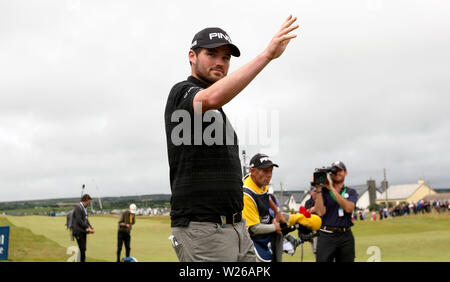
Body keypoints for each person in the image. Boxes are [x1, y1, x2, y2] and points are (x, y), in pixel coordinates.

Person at [164, 16, 299, 262]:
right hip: (204, 229)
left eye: (225, 58)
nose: (220, 62)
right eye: (212, 54)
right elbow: (211, 98)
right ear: (192, 56)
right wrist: (266, 55)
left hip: (237, 228)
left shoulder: (218, 111)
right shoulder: (182, 92)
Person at [242, 153, 285, 262]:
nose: (269, 175)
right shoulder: (246, 194)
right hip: (251, 240)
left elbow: (266, 197)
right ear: (252, 171)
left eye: (271, 171)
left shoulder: (260, 182)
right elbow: (253, 228)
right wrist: (275, 227)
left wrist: (277, 211)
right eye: (266, 171)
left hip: (264, 234)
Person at [313, 161, 358, 262]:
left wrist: (332, 189)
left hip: (345, 235)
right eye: (334, 171)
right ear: (330, 174)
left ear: (345, 172)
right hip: (326, 235)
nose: (337, 173)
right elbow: (320, 212)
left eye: (340, 170)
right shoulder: (323, 192)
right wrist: (319, 189)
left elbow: (349, 208)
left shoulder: (351, 192)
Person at [72, 194, 95, 262]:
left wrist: (90, 227)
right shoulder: (78, 207)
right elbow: (79, 220)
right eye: (89, 201)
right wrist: (88, 227)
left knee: (83, 249)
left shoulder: (84, 208)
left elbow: (86, 220)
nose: (89, 202)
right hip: (78, 231)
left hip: (83, 231)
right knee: (82, 249)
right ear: (86, 200)